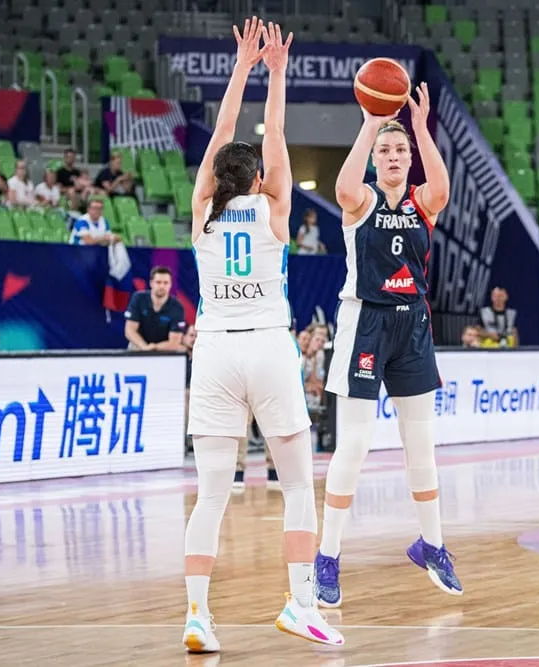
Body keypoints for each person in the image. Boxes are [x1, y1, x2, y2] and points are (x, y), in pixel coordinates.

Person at [180, 18, 343, 653]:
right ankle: (301, 605)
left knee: (210, 496)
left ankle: (198, 616)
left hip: (215, 350)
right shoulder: (275, 208)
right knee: (298, 485)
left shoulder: (202, 211)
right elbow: (272, 132)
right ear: (256, 181)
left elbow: (223, 133)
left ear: (215, 178)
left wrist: (241, 67)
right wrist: (276, 71)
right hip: (269, 345)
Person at [316, 81, 461, 607]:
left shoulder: (424, 201)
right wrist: (371, 123)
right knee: (354, 445)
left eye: (401, 150)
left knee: (421, 444)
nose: (395, 156)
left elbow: (442, 187)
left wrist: (420, 127)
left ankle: (432, 545)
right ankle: (327, 556)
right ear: (375, 158)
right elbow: (342, 186)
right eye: (386, 150)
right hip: (365, 322)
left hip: (412, 323)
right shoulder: (362, 200)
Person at [123, 266, 187, 351]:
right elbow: (129, 331)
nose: (162, 286)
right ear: (151, 283)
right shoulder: (138, 298)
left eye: (166, 283)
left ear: (171, 284)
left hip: (165, 350)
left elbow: (175, 341)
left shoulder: (177, 307)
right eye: (158, 282)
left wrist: (154, 347)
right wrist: (144, 347)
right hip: (138, 346)